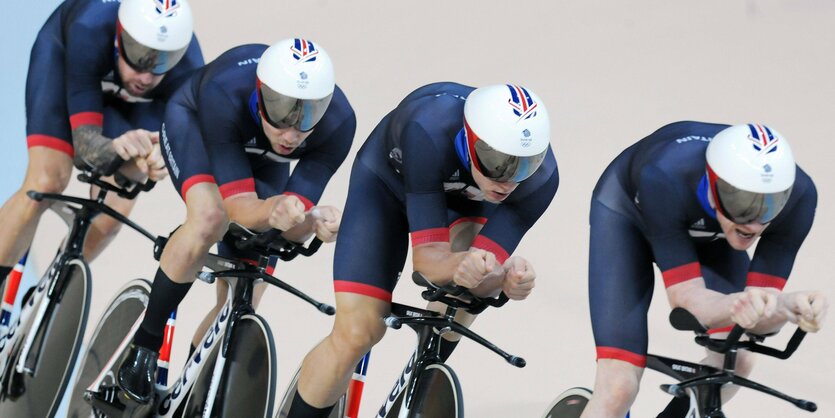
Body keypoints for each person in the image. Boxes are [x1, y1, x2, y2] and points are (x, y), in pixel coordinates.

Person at [91, 38, 356, 406]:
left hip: (263, 160)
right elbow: (240, 207)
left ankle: (186, 395)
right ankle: (144, 347)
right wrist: (276, 210)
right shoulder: (226, 90)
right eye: (280, 111)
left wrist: (311, 222)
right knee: (209, 218)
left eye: (307, 116)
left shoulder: (340, 123)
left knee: (245, 288)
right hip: (197, 124)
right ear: (260, 93)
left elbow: (288, 221)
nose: (292, 133)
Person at [286, 82, 560, 417]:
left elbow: (482, 273)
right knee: (357, 334)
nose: (507, 180)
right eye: (497, 163)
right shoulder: (427, 127)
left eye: (523, 165)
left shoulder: (541, 179)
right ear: (469, 139)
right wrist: (468, 266)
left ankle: (422, 378)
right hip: (385, 188)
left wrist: (505, 278)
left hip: (462, 207)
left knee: (468, 289)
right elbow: (427, 263)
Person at [581, 121, 828, 418]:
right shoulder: (665, 174)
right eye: (742, 203)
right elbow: (688, 302)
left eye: (769, 206)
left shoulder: (800, 197)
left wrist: (788, 308)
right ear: (713, 183)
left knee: (738, 362)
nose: (753, 224)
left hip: (709, 230)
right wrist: (736, 305)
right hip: (628, 216)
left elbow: (759, 315)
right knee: (618, 387)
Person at [0, 0, 203, 288]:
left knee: (112, 214)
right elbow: (85, 150)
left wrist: (159, 158)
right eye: (139, 56)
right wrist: (118, 149)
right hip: (66, 59)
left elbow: (186, 149)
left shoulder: (190, 70)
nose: (146, 76)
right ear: (120, 40)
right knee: (46, 182)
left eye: (161, 62)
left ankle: (52, 290)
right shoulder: (89, 31)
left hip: (132, 103)